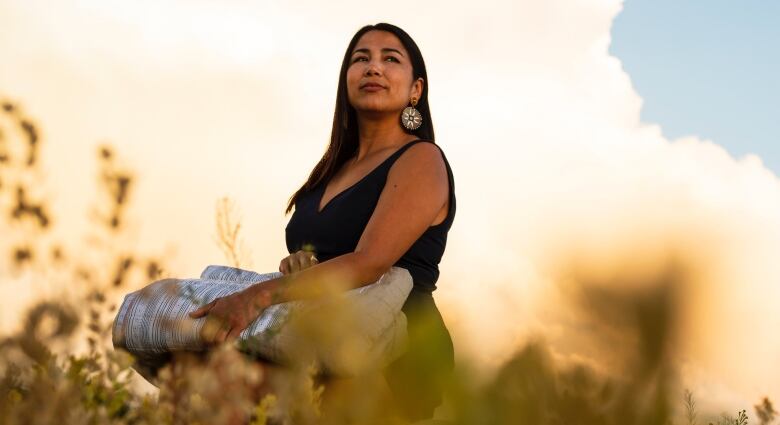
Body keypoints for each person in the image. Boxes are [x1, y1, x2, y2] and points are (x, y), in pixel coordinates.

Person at [188, 22, 456, 422]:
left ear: (416, 89)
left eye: (390, 59)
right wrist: (298, 265)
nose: (373, 68)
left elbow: (368, 262)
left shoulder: (421, 159)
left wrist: (255, 297)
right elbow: (328, 258)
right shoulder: (331, 171)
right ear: (345, 78)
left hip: (391, 348)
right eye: (360, 59)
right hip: (322, 337)